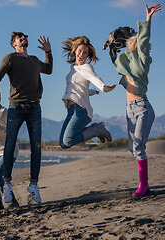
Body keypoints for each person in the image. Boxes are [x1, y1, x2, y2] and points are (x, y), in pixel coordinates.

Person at [0, 32, 53, 204]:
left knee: (36, 147)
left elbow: (48, 70)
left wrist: (48, 52)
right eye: (19, 38)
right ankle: (7, 184)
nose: (23, 38)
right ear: (14, 44)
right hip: (16, 108)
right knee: (9, 145)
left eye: (24, 37)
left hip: (35, 107)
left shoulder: (35, 60)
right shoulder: (10, 58)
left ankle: (33, 185)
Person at [105, 4, 161, 197]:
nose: (134, 42)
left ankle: (144, 186)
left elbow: (144, 41)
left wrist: (147, 19)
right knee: (132, 147)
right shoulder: (127, 61)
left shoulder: (143, 59)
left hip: (142, 108)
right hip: (129, 109)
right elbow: (118, 62)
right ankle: (143, 183)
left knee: (138, 146)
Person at [59, 36, 116, 149]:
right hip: (71, 110)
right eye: (80, 51)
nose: (81, 54)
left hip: (81, 110)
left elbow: (95, 78)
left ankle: (96, 130)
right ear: (75, 50)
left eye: (85, 53)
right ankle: (96, 129)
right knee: (63, 143)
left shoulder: (86, 67)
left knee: (68, 140)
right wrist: (92, 92)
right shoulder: (73, 68)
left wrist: (104, 87)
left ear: (87, 55)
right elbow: (80, 89)